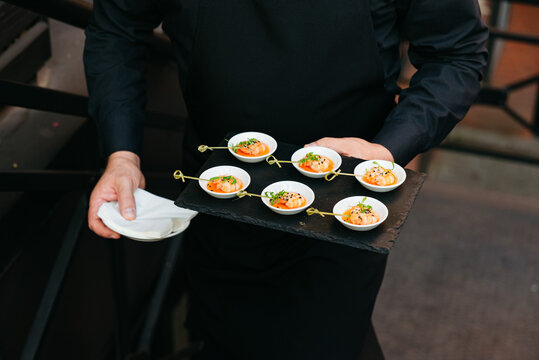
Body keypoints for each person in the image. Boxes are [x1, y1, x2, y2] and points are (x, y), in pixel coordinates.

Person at [84, 0, 488, 358]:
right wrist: (121, 153)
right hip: (218, 190)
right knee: (226, 336)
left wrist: (387, 150)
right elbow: (116, 27)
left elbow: (456, 54)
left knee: (327, 340)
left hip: (346, 199)